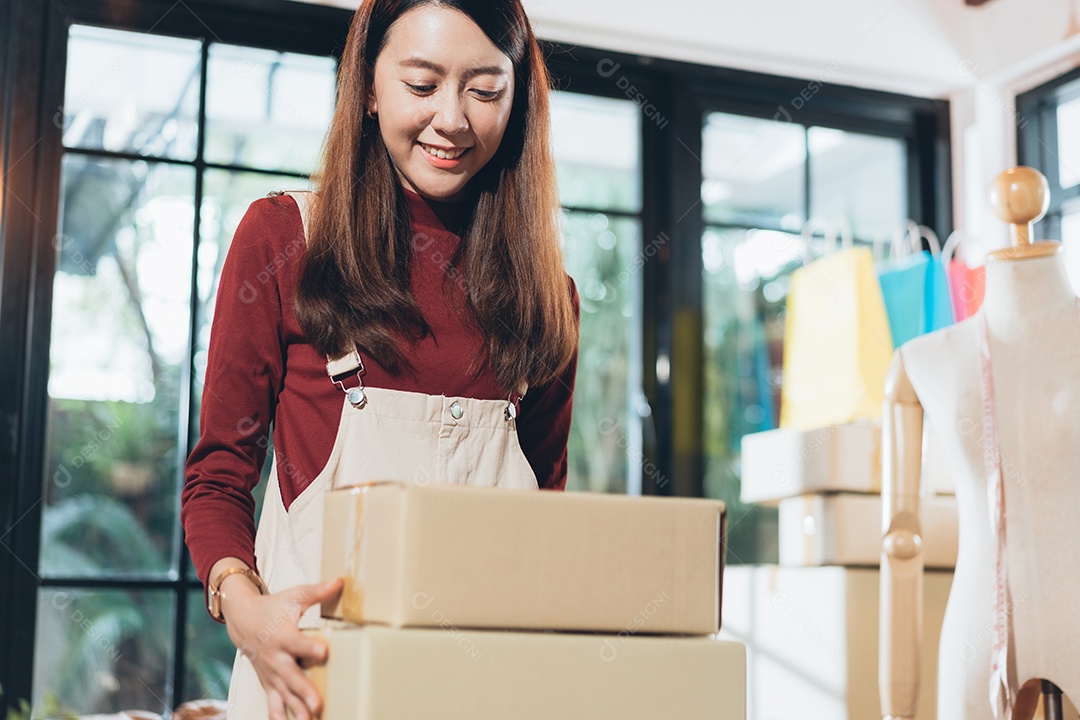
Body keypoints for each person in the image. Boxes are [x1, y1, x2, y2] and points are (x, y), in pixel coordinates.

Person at [180, 1, 580, 718]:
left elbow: (544, 526)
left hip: (484, 697)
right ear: (368, 88)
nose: (452, 119)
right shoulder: (283, 240)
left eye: (485, 90)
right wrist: (245, 610)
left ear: (519, 101)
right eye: (421, 85)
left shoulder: (548, 299)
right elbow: (216, 480)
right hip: (312, 690)